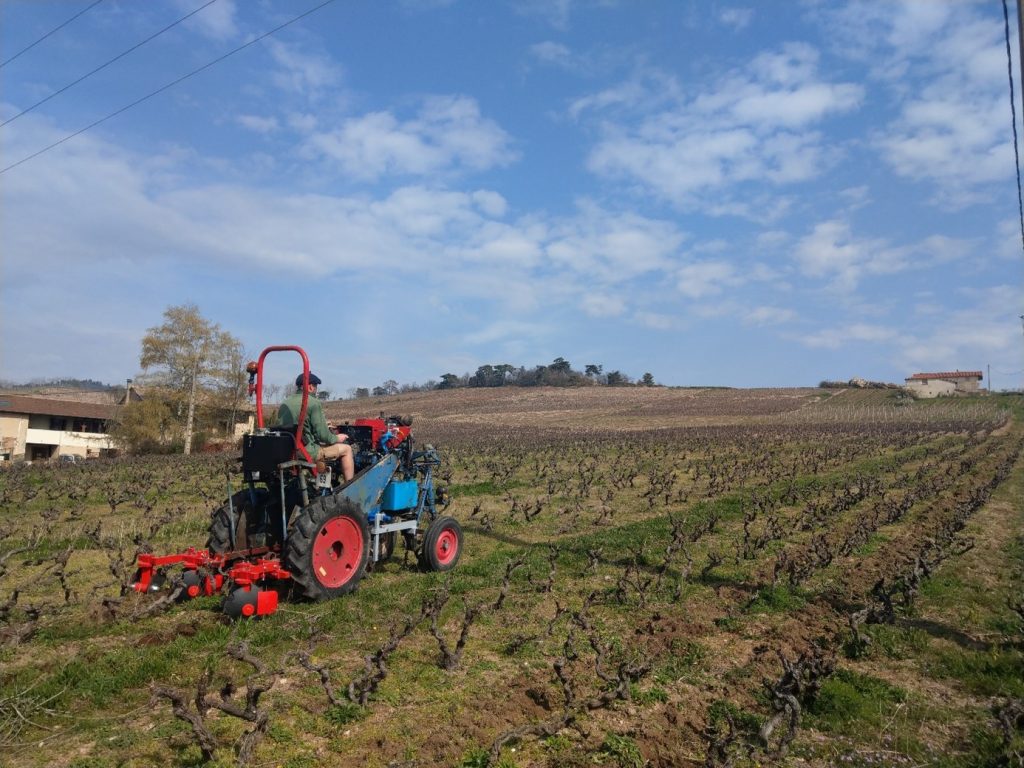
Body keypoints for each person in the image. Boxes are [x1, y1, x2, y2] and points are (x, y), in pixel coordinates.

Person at [277, 373, 355, 482]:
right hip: (306, 452)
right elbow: (323, 436)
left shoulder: (285, 403)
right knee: (347, 449)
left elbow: (299, 426)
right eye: (315, 387)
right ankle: (349, 486)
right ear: (310, 387)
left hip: (287, 450)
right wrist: (337, 438)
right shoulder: (313, 402)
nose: (316, 390)